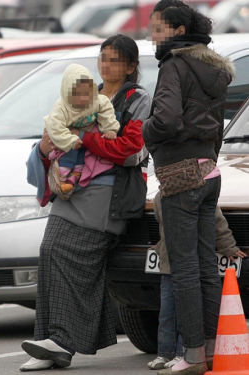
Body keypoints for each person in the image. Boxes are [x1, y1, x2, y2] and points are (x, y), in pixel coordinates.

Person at [22, 34, 151, 372]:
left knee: (78, 260)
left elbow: (133, 152)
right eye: (102, 56)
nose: (106, 64)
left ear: (132, 66)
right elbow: (54, 131)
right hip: (71, 188)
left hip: (108, 195)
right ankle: (49, 342)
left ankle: (61, 341)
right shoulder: (81, 91)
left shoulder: (137, 99)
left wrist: (84, 139)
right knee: (50, 250)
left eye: (115, 59)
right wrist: (44, 148)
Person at [142, 1, 235, 374]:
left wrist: (143, 133)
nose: (152, 34)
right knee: (204, 267)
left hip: (180, 174)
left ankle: (193, 354)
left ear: (179, 31)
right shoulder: (213, 68)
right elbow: (216, 128)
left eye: (158, 28)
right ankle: (210, 350)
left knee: (182, 270)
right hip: (209, 172)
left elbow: (164, 120)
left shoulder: (174, 65)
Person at [147, 192, 246, 371]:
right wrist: (162, 246)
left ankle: (181, 353)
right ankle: (164, 352)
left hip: (189, 265)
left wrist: (228, 247)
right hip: (169, 264)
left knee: (188, 311)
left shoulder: (195, 193)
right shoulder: (160, 197)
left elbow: (217, 224)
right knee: (167, 313)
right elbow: (163, 225)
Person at [44, 64, 119, 197]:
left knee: (82, 156)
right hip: (64, 133)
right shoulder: (61, 108)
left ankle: (74, 177)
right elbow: (55, 127)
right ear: (67, 92)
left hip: (84, 133)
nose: (83, 98)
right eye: (77, 94)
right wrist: (70, 140)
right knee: (67, 152)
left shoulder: (98, 101)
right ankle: (63, 178)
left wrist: (110, 129)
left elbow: (107, 110)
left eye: (87, 93)